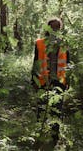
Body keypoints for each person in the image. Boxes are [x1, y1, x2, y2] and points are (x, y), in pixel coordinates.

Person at [31, 17, 70, 146]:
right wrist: (34, 80)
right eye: (52, 27)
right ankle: (39, 134)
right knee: (41, 108)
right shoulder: (40, 43)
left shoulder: (64, 44)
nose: (55, 29)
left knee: (57, 109)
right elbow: (36, 63)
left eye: (57, 27)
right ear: (48, 28)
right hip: (43, 81)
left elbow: (68, 63)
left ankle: (54, 137)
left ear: (60, 28)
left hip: (59, 81)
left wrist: (67, 80)